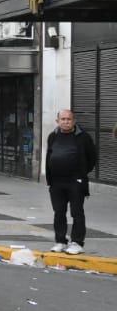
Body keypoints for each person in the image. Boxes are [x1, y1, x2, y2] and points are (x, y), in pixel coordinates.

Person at [45, 109, 97, 255]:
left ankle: (77, 243)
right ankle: (60, 241)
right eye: (63, 119)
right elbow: (49, 156)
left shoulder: (83, 137)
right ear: (58, 121)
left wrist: (80, 174)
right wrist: (49, 180)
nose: (66, 122)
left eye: (69, 119)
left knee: (77, 212)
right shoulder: (53, 136)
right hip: (56, 182)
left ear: (74, 121)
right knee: (59, 212)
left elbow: (92, 158)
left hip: (75, 182)